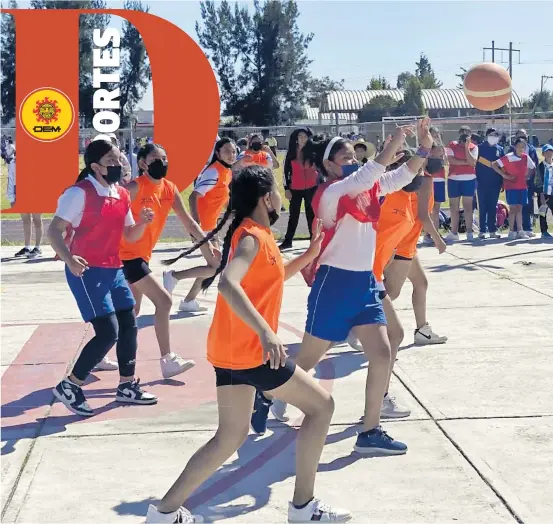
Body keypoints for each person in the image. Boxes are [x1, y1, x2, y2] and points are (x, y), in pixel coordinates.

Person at [145, 165, 351, 524]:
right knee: (322, 407)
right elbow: (228, 283)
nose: (281, 194)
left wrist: (309, 254)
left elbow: (271, 278)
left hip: (230, 352)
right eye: (276, 188)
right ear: (264, 197)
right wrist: (266, 332)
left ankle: (163, 513)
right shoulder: (251, 237)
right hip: (250, 352)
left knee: (230, 436)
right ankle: (304, 508)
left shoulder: (260, 236)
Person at [251, 119, 434, 453]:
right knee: (306, 362)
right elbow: (371, 172)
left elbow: (401, 176)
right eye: (346, 157)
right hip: (334, 285)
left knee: (382, 353)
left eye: (355, 155)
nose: (353, 161)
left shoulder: (369, 188)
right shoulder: (329, 194)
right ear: (328, 165)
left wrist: (423, 148)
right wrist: (394, 141)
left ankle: (370, 431)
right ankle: (266, 391)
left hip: (364, 283)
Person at [49, 139, 157, 416]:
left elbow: (129, 235)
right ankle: (70, 385)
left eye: (120, 159)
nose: (119, 164)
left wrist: (143, 222)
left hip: (114, 269)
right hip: (85, 270)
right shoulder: (79, 193)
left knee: (129, 324)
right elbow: (54, 230)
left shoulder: (121, 194)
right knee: (108, 331)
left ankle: (127, 385)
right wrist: (69, 258)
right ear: (96, 166)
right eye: (112, 160)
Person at [119, 143, 219, 379]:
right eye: (155, 158)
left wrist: (208, 244)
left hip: (141, 256)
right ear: (142, 163)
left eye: (164, 158)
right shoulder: (133, 188)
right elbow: (112, 216)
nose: (161, 162)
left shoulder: (170, 189)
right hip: (125, 256)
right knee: (163, 302)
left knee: (131, 311)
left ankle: (101, 348)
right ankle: (168, 360)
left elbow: (188, 222)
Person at [163, 137, 236, 311]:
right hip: (203, 228)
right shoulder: (214, 172)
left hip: (212, 227)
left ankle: (188, 301)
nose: (231, 155)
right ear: (218, 153)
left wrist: (232, 211)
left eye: (233, 151)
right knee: (216, 266)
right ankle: (174, 276)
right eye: (227, 151)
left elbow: (219, 198)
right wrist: (195, 224)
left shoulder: (227, 171)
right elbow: (193, 196)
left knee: (215, 266)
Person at [279, 127, 318, 251]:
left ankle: (313, 240)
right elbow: (285, 172)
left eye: (305, 136)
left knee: (311, 215)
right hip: (295, 188)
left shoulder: (313, 151)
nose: (303, 139)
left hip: (312, 187)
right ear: (296, 138)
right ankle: (288, 241)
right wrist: (286, 188)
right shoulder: (291, 152)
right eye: (300, 136)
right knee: (293, 215)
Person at [492, 138, 536, 240]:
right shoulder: (509, 157)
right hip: (511, 187)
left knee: (520, 208)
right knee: (512, 209)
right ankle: (512, 231)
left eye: (523, 147)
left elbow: (532, 167)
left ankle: (520, 231)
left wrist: (527, 176)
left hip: (522, 186)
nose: (521, 149)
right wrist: (504, 175)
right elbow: (494, 164)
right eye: (519, 146)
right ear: (515, 147)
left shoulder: (525, 157)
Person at [445, 126, 478, 242]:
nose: (464, 135)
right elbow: (451, 160)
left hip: (469, 179)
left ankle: (469, 232)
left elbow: (473, 162)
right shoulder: (452, 145)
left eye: (467, 133)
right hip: (454, 179)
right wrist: (466, 163)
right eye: (462, 133)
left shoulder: (474, 147)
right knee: (454, 206)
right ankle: (454, 232)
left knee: (468, 206)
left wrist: (466, 147)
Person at [509, 129, 539, 238]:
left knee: (527, 206)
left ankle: (527, 228)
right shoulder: (511, 150)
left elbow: (534, 165)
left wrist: (529, 177)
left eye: (524, 136)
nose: (522, 138)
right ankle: (515, 229)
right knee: (515, 207)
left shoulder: (531, 149)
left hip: (528, 184)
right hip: (514, 184)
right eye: (519, 136)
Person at [475, 128, 504, 239]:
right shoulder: (480, 148)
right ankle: (482, 230)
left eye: (496, 135)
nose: (493, 137)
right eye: (491, 135)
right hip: (481, 182)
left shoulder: (500, 149)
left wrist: (502, 182)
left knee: (493, 207)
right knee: (482, 206)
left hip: (495, 183)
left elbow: (502, 166)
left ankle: (492, 230)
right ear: (487, 136)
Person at [424, 129, 448, 244]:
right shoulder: (425, 148)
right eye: (432, 135)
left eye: (436, 135)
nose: (434, 137)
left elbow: (446, 163)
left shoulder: (441, 148)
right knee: (428, 209)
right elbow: (423, 165)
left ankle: (436, 234)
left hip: (440, 180)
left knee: (436, 209)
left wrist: (441, 151)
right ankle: (428, 234)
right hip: (429, 180)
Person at [536, 143, 553, 239]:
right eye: (546, 152)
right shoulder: (540, 166)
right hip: (543, 194)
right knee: (542, 213)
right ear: (543, 154)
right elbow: (537, 181)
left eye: (551, 151)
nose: (549, 154)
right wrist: (541, 194)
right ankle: (544, 231)